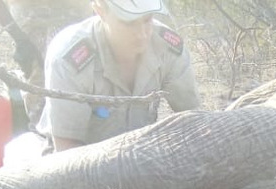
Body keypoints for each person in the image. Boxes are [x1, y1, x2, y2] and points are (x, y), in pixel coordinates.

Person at [36, 0, 201, 152]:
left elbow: (193, 121)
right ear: (100, 11)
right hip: (77, 162)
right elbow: (66, 150)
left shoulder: (167, 46)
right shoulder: (70, 58)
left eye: (147, 19)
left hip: (139, 156)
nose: (142, 33)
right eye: (129, 23)